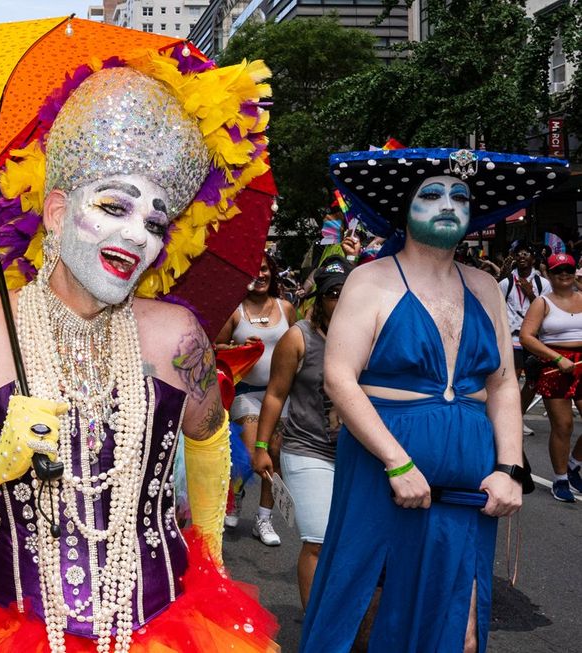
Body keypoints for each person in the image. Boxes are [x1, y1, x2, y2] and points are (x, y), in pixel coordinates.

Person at [0, 54, 278, 653]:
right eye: (115, 207)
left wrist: (210, 553)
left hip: (162, 621)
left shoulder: (178, 335)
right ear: (57, 213)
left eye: (156, 222)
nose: (139, 235)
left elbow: (211, 436)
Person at [301, 147, 567, 653]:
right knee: (366, 615)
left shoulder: (486, 284)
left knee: (460, 631)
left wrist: (511, 468)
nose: (448, 203)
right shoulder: (370, 280)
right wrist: (398, 463)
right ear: (405, 208)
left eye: (460, 196)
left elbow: (503, 383)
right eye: (432, 194)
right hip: (384, 472)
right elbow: (339, 377)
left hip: (470, 484)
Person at [251, 255, 350, 609]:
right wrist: (262, 447)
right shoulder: (299, 338)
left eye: (347, 291)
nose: (340, 299)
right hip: (307, 449)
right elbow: (276, 394)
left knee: (351, 542)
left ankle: (344, 615)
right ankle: (316, 630)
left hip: (356, 454)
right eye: (332, 292)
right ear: (320, 299)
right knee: (319, 540)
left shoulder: (368, 338)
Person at [215, 255, 296, 544]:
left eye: (263, 268)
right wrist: (239, 347)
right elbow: (217, 348)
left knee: (273, 454)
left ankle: (263, 519)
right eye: (252, 269)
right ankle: (236, 492)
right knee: (252, 454)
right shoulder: (234, 311)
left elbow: (299, 345)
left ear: (271, 272)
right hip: (246, 394)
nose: (259, 275)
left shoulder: (286, 308)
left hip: (281, 396)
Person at [519, 252, 582, 502]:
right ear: (549, 273)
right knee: (563, 425)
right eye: (558, 271)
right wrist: (557, 358)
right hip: (555, 366)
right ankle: (560, 479)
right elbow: (526, 337)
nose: (564, 274)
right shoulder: (542, 303)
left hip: (580, 363)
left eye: (568, 269)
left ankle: (574, 464)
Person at [498, 241, 551, 436]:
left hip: (534, 338)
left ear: (533, 258)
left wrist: (530, 294)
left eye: (526, 253)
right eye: (518, 253)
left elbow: (547, 310)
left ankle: (518, 417)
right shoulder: (506, 283)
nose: (522, 256)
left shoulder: (542, 284)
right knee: (511, 379)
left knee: (532, 381)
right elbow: (497, 306)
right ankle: (506, 419)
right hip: (512, 338)